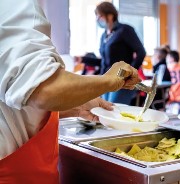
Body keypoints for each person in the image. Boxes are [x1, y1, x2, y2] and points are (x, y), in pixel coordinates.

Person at [0, 0, 141, 183]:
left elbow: (14, 95)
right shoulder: (13, 5)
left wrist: (75, 106)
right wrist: (109, 80)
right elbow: (44, 89)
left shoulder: (124, 31)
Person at [96, 2, 146, 105]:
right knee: (105, 112)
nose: (97, 19)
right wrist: (83, 59)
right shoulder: (104, 35)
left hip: (121, 80)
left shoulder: (125, 30)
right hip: (105, 79)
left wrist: (129, 73)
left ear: (110, 16)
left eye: (100, 15)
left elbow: (141, 52)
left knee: (114, 111)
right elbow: (104, 61)